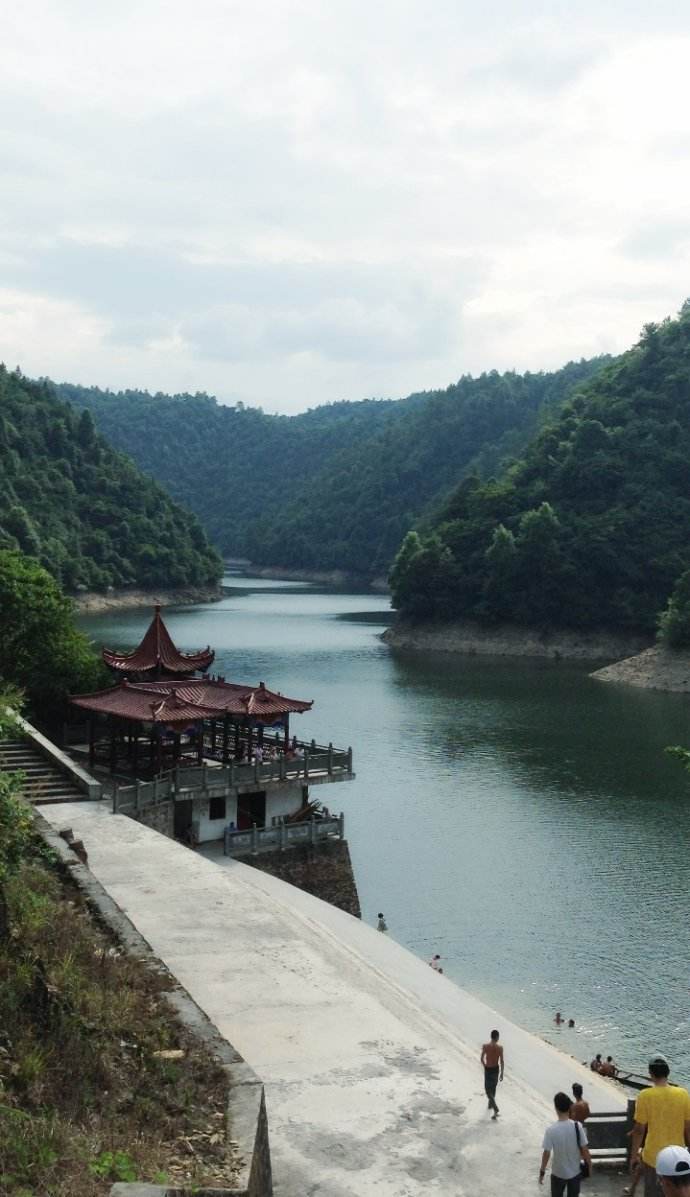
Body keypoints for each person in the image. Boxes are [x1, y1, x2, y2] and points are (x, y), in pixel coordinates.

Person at [630, 1054, 690, 1197]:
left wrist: (634, 1156)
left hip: (653, 1158)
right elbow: (688, 1128)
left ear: (650, 1074)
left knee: (652, 1193)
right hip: (678, 1158)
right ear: (668, 1072)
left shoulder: (645, 1095)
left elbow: (639, 1130)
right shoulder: (683, 1094)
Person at [539, 1090, 593, 1195]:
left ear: (556, 1108)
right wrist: (590, 1166)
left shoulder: (551, 1130)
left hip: (558, 1173)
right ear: (569, 1108)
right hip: (575, 1173)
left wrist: (542, 1172)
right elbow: (585, 1149)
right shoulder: (578, 1126)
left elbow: (546, 1153)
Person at [481, 1029, 504, 1120]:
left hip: (488, 1069)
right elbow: (502, 1061)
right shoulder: (500, 1048)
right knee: (493, 1089)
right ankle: (492, 1107)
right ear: (497, 1037)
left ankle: (494, 1107)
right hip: (496, 1070)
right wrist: (502, 1073)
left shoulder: (485, 1046)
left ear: (491, 1037)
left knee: (487, 1090)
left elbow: (482, 1058)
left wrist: (485, 1066)